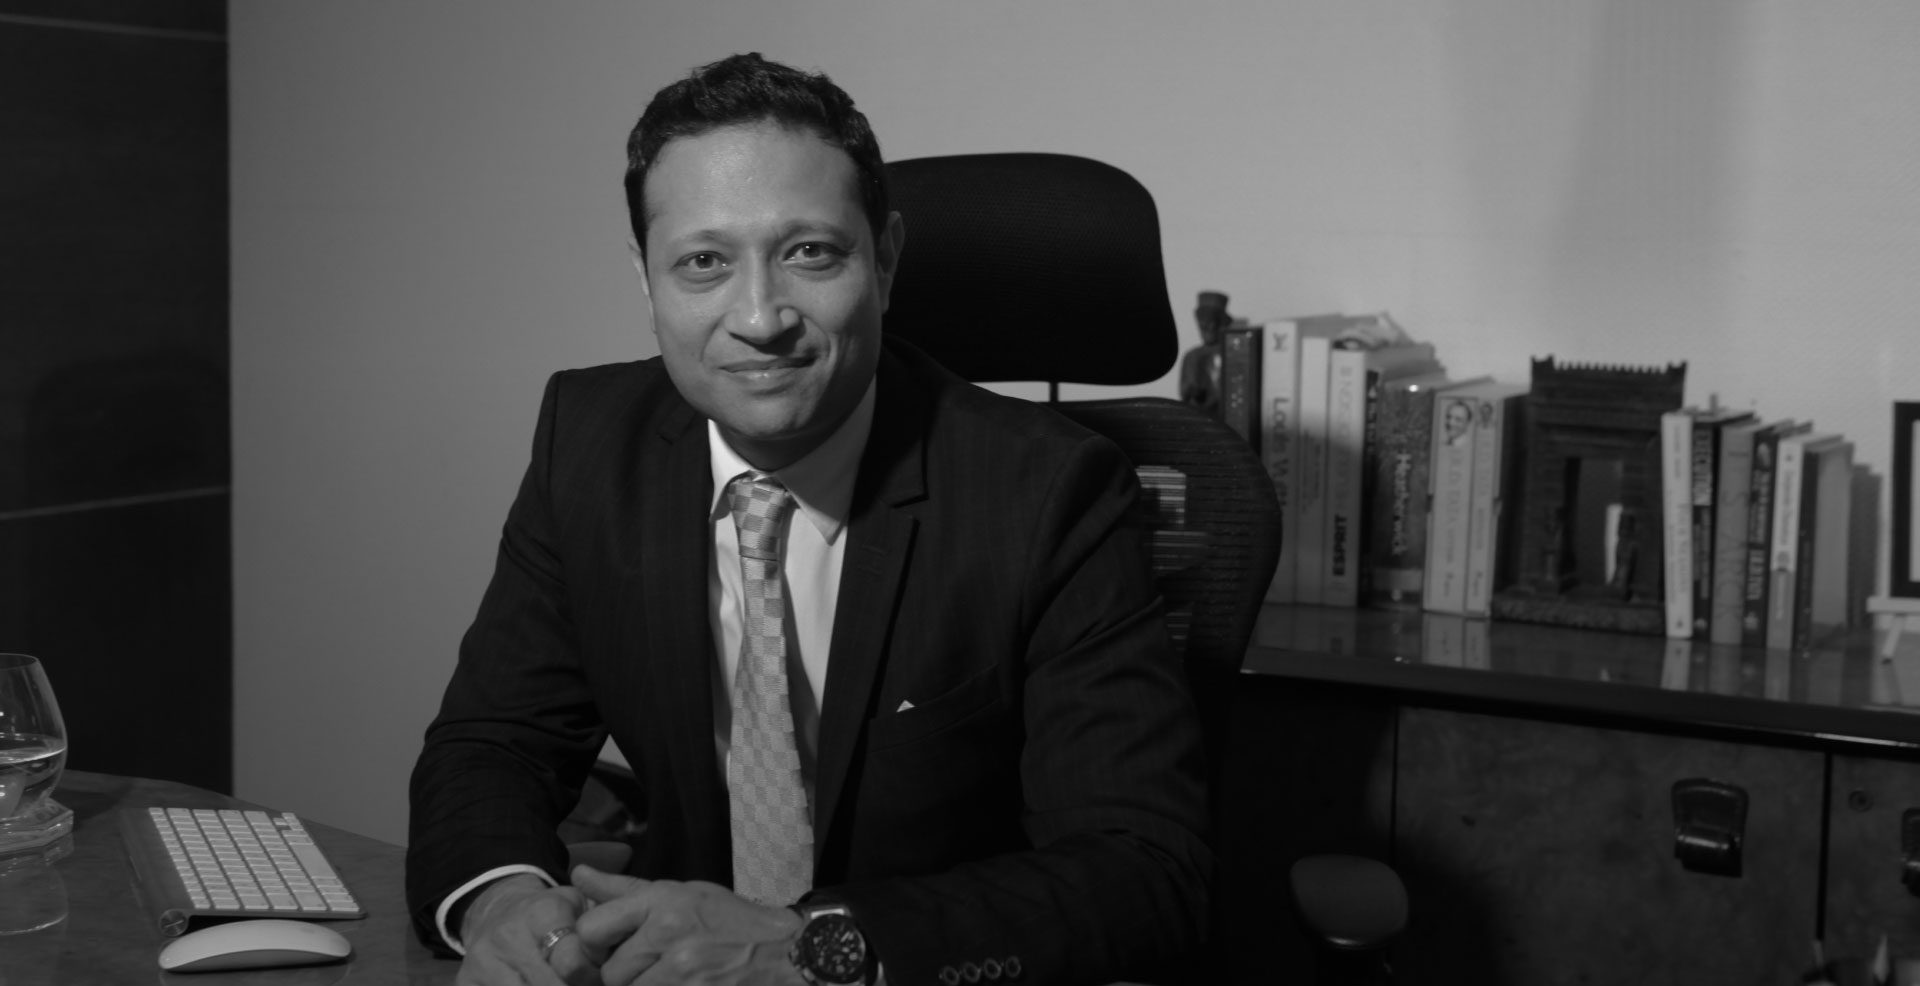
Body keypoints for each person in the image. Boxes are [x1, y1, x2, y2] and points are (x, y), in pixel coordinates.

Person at [405, 53, 1211, 986]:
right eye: (703, 262)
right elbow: (493, 743)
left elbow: (1143, 871)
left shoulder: (1050, 491)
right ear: (646, 278)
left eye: (810, 253)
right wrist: (505, 902)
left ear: (886, 259)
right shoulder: (588, 444)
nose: (760, 318)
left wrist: (808, 949)